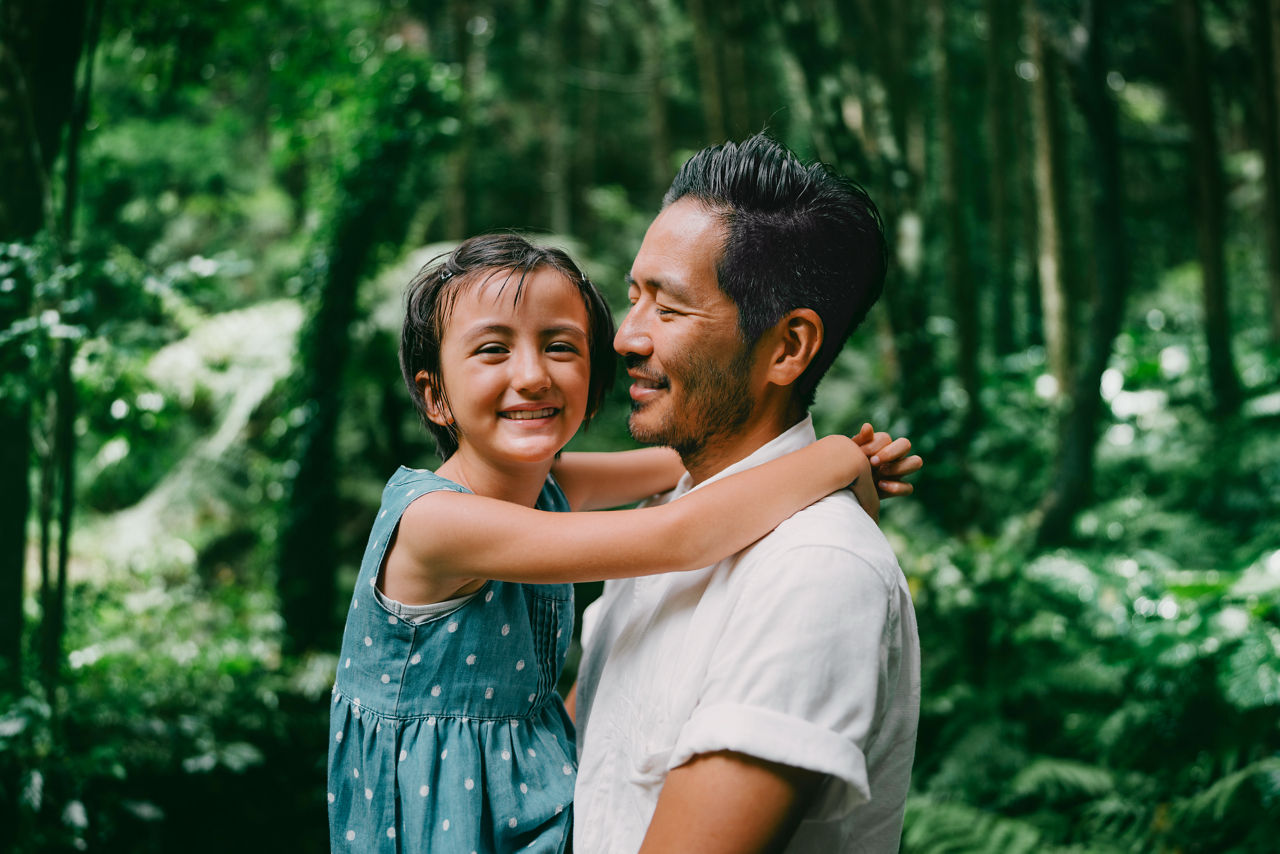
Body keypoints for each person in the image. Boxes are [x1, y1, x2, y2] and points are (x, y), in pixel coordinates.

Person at [326, 233, 911, 853]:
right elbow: (677, 534)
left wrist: (825, 471)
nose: (532, 375)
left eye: (559, 347)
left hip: (522, 805)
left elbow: (691, 464)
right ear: (435, 395)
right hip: (439, 823)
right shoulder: (436, 523)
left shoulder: (550, 484)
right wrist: (837, 456)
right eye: (493, 350)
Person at [572, 134, 922, 853]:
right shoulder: (662, 515)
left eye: (667, 309)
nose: (626, 337)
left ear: (789, 347)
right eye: (634, 297)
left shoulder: (816, 570)